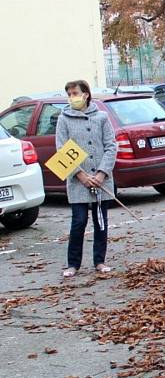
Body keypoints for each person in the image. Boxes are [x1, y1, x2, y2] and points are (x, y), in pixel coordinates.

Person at [56, 80, 117, 278]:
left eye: (75, 93)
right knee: (79, 221)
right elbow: (62, 150)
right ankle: (73, 263)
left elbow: (111, 146)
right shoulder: (63, 119)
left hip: (101, 180)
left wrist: (101, 173)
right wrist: (81, 175)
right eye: (70, 94)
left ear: (86, 94)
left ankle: (99, 260)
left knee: (100, 222)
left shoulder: (102, 117)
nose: (73, 97)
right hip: (78, 181)